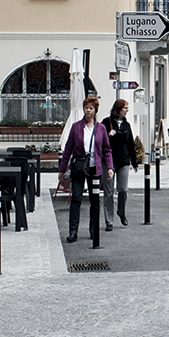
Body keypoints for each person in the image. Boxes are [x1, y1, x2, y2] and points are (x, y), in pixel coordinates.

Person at [59, 97, 113, 242]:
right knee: (76, 198)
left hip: (94, 168)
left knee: (94, 200)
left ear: (95, 110)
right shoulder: (76, 127)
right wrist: (62, 169)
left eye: (90, 108)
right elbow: (68, 149)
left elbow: (107, 150)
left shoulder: (101, 128)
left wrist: (110, 167)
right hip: (78, 167)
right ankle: (73, 231)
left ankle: (93, 230)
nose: (88, 110)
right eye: (86, 108)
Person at [101, 98, 139, 229]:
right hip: (109, 161)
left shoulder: (126, 125)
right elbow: (98, 138)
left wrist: (134, 162)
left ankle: (121, 212)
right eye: (125, 108)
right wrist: (107, 135)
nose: (127, 110)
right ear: (118, 109)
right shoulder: (106, 123)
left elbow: (130, 144)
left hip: (123, 160)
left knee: (123, 189)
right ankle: (109, 221)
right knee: (108, 191)